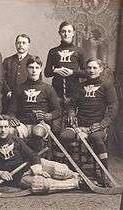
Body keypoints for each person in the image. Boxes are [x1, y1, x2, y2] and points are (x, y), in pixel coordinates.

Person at [0, 115, 79, 194]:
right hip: (18, 176)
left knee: (60, 170)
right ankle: (77, 183)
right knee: (40, 184)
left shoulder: (15, 139)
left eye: (5, 127)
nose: (3, 130)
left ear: (9, 128)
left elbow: (32, 154)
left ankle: (77, 176)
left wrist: (37, 168)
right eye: (0, 127)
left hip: (29, 165)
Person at [60, 58, 118, 187]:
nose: (91, 70)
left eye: (94, 68)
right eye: (89, 68)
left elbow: (113, 108)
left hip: (98, 126)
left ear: (101, 69)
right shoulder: (80, 87)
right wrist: (71, 112)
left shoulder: (107, 86)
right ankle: (71, 171)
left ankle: (104, 175)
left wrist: (103, 124)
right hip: (80, 126)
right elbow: (71, 104)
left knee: (96, 138)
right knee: (64, 136)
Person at [8, 56, 61, 152]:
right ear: (26, 69)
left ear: (41, 69)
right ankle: (19, 162)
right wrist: (12, 118)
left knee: (38, 132)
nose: (34, 70)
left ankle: (36, 161)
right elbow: (12, 110)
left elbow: (57, 111)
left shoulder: (48, 88)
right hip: (22, 124)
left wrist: (47, 116)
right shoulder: (18, 88)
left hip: (41, 124)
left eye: (37, 68)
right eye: (31, 67)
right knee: (10, 131)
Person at [44, 21, 88, 100]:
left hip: (74, 92)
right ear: (59, 33)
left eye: (69, 31)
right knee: (57, 112)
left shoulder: (80, 51)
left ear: (73, 33)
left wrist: (72, 72)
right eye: (63, 31)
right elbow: (46, 73)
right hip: (56, 93)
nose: (66, 34)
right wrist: (55, 70)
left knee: (72, 112)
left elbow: (86, 73)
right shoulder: (53, 51)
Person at [2, 34, 33, 113]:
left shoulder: (33, 61)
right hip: (9, 99)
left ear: (28, 45)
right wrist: (8, 92)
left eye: (24, 43)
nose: (21, 45)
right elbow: (2, 79)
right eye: (18, 43)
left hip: (27, 99)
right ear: (15, 44)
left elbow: (37, 81)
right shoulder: (7, 61)